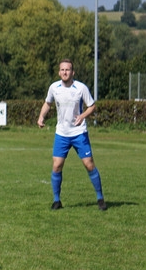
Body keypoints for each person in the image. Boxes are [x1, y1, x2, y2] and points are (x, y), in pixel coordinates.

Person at [37, 59, 106, 210]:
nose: (65, 72)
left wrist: (82, 116)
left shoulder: (81, 88)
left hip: (79, 133)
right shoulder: (54, 87)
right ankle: (57, 201)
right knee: (57, 165)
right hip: (62, 133)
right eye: (62, 70)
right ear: (59, 72)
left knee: (89, 164)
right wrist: (41, 116)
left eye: (67, 70)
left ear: (72, 72)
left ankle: (100, 198)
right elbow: (47, 103)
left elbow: (92, 106)